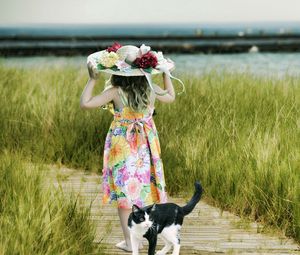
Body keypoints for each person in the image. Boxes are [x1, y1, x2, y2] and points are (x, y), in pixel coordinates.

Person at [80, 43, 185, 252]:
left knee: (125, 194)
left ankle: (130, 242)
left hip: (123, 146)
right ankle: (143, 237)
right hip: (146, 145)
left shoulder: (115, 91)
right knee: (144, 189)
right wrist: (166, 75)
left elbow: (86, 103)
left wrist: (92, 79)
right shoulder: (150, 89)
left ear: (119, 72)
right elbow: (171, 97)